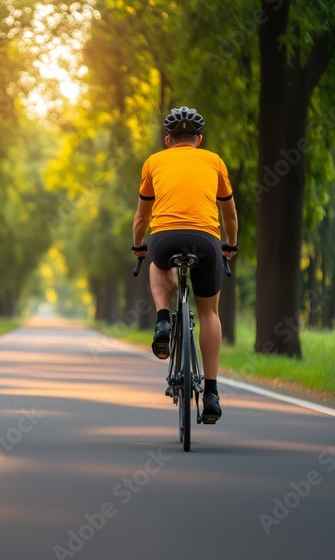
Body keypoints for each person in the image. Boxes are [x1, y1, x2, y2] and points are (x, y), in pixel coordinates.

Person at [131, 106, 238, 424]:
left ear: (168, 140)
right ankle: (211, 393)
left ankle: (163, 319)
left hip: (165, 238)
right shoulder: (215, 161)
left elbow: (142, 218)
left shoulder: (153, 162)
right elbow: (230, 215)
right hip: (206, 241)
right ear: (199, 140)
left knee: (156, 263)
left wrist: (138, 246)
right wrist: (231, 245)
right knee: (209, 313)